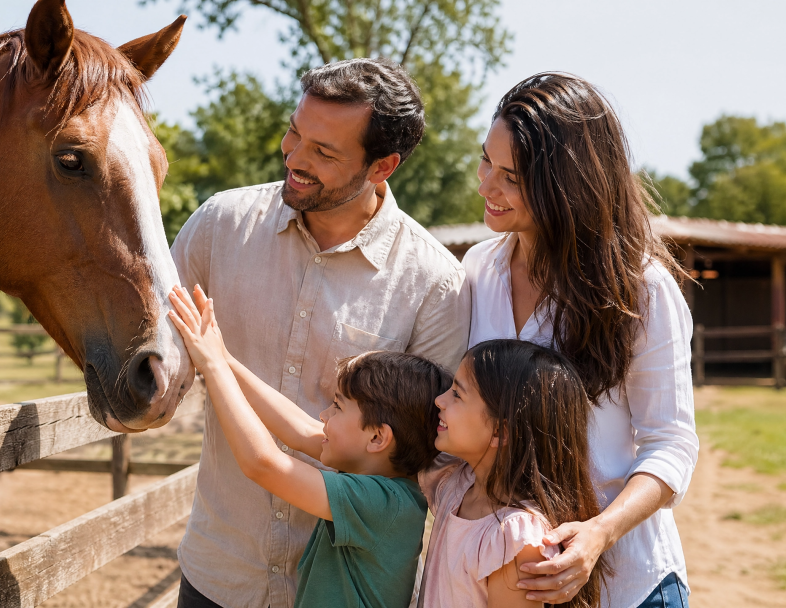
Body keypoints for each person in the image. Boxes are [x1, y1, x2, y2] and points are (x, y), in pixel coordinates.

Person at [170, 57, 469, 608]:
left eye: (324, 152)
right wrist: (214, 359)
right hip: (218, 575)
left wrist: (217, 364)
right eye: (294, 133)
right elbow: (158, 345)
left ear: (383, 166)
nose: (296, 158)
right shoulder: (219, 225)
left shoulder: (435, 284)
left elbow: (430, 453)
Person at [465, 72, 699, 607]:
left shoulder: (642, 289)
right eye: (486, 161)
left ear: (567, 186)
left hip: (629, 586)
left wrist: (598, 533)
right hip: (508, 584)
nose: (485, 185)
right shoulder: (478, 271)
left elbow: (672, 444)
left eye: (511, 176)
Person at [167, 284, 451, 608]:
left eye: (337, 406)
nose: (323, 415)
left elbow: (263, 464)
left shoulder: (383, 504)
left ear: (377, 438)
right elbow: (300, 429)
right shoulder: (381, 477)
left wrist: (213, 367)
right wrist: (224, 359)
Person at [419, 339, 608, 608]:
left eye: (457, 394)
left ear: (500, 431)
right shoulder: (457, 486)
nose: (440, 400)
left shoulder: (516, 540)